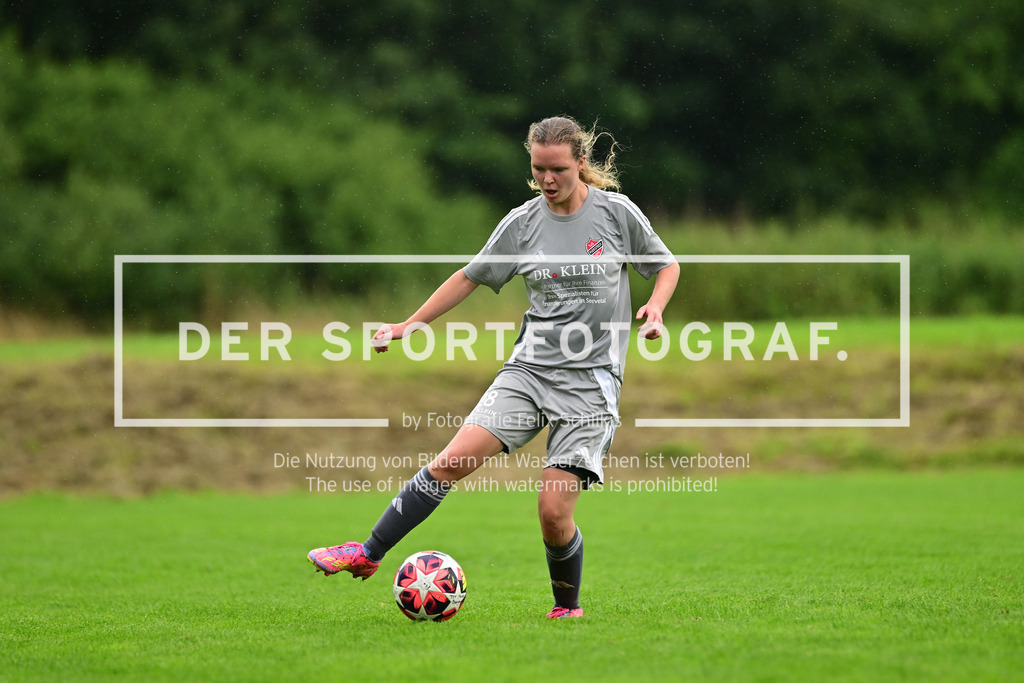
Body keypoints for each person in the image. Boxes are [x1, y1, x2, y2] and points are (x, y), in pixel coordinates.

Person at [308, 115, 680, 619]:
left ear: (582, 164)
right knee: (450, 461)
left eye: (558, 170)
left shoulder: (616, 215)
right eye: (538, 169)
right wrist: (408, 325)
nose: (548, 180)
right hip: (528, 373)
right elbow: (469, 277)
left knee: (553, 513)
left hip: (591, 385)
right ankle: (366, 553)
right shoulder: (523, 223)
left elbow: (665, 265)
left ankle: (566, 607)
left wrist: (655, 308)